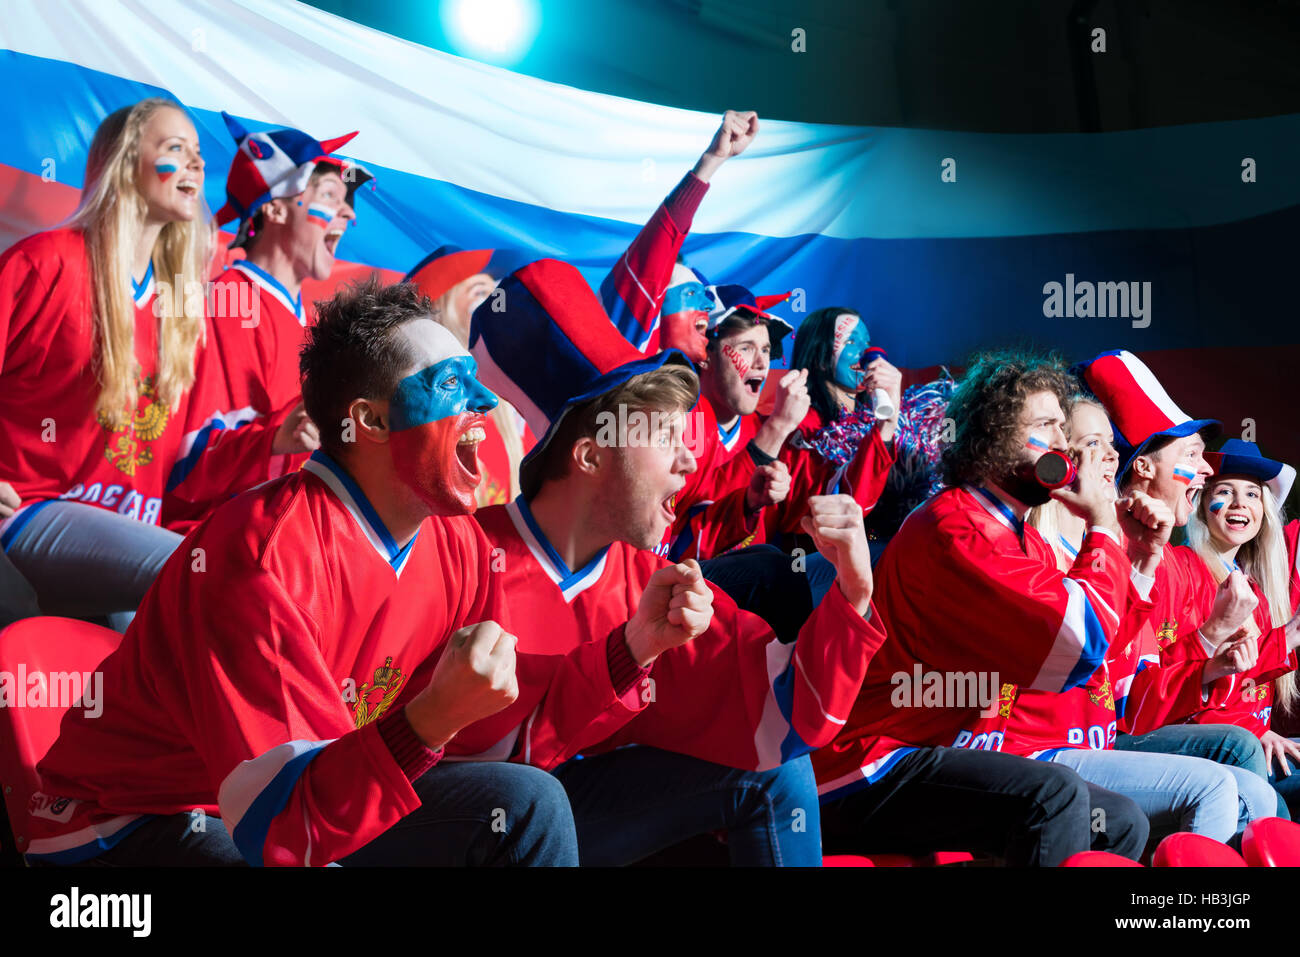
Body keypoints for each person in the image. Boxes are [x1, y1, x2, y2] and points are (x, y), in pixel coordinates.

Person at [26, 277, 577, 867]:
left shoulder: (459, 542)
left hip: (309, 799)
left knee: (528, 804)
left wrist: (634, 650)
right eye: (450, 385)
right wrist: (431, 720)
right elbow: (281, 827)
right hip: (134, 824)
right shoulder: (260, 555)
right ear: (371, 422)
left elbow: (477, 741)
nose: (486, 404)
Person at [467, 257, 887, 865]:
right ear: (589, 456)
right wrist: (628, 655)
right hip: (485, 829)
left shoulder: (643, 579)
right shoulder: (464, 559)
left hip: (580, 808)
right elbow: (468, 768)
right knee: (529, 798)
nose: (689, 464)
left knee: (777, 776)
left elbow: (780, 713)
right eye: (666, 438)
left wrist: (852, 594)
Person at [814, 349, 1148, 866]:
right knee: (1054, 798)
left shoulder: (1022, 539)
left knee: (1122, 821)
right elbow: (1081, 645)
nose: (1064, 444)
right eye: (1045, 425)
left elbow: (1091, 663)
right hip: (871, 762)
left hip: (949, 752)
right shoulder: (959, 529)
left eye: (1062, 426)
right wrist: (1103, 526)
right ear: (992, 441)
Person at [0, 98, 298, 631]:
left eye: (200, 154)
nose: (197, 165)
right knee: (201, 572)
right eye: (175, 149)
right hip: (29, 513)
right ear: (124, 161)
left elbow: (185, 463)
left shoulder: (182, 307)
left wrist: (275, 439)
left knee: (152, 683)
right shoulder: (46, 261)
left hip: (127, 532)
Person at [1006, 398, 1271, 846]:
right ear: (1060, 461)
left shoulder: (1142, 554)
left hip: (1096, 738)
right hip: (1041, 747)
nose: (1112, 457)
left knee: (1255, 797)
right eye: (1095, 444)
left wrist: (1213, 661)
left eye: (1111, 444)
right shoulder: (1039, 550)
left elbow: (1129, 687)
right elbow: (1092, 665)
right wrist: (1207, 635)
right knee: (1221, 778)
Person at [1072, 350, 1288, 828]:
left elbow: (1140, 687)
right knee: (1242, 764)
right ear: (1145, 469)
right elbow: (1124, 698)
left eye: (1254, 493)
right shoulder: (1155, 556)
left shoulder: (1166, 555)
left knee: (1252, 772)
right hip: (1077, 740)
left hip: (1114, 730)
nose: (1209, 473)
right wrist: (1214, 637)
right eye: (1193, 456)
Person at [162, 113, 373, 532]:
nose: (349, 214)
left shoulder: (306, 325)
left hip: (275, 547)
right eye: (330, 194)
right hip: (208, 547)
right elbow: (182, 467)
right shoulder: (230, 304)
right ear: (275, 209)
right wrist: (275, 438)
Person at [1181, 440, 1300, 814]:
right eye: (1225, 492)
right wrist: (1255, 733)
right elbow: (1184, 692)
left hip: (1255, 742)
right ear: (1201, 504)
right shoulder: (1187, 571)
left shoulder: (1255, 589)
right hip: (1220, 751)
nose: (1239, 504)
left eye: (1252, 493)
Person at [405, 245, 533, 506]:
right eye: (480, 293)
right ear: (440, 312)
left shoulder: (509, 403)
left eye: (495, 293)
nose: (497, 305)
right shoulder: (428, 408)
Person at [769, 305, 901, 545]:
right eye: (851, 343)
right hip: (812, 556)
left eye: (867, 342)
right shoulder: (804, 425)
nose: (868, 352)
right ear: (820, 359)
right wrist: (887, 425)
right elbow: (848, 508)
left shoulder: (870, 416)